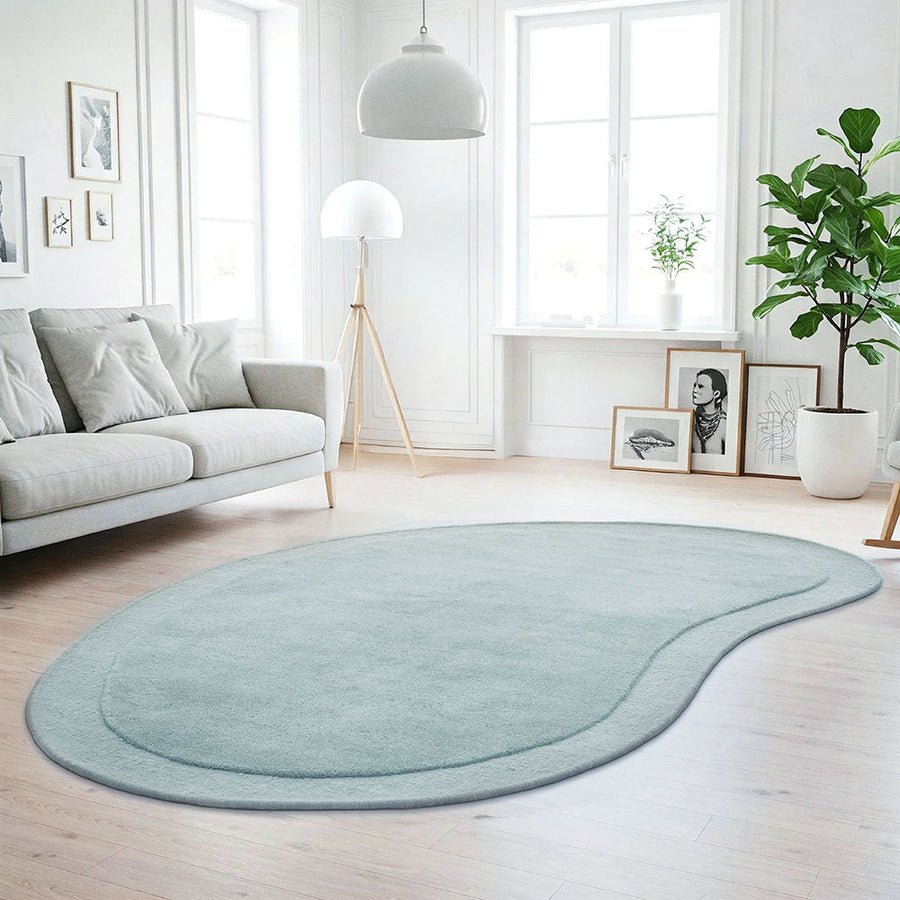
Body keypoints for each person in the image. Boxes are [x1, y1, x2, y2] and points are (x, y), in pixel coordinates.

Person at [691, 368, 727, 454]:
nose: (694, 391)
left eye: (700, 386)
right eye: (694, 385)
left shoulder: (725, 425)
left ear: (716, 394)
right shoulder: (691, 420)